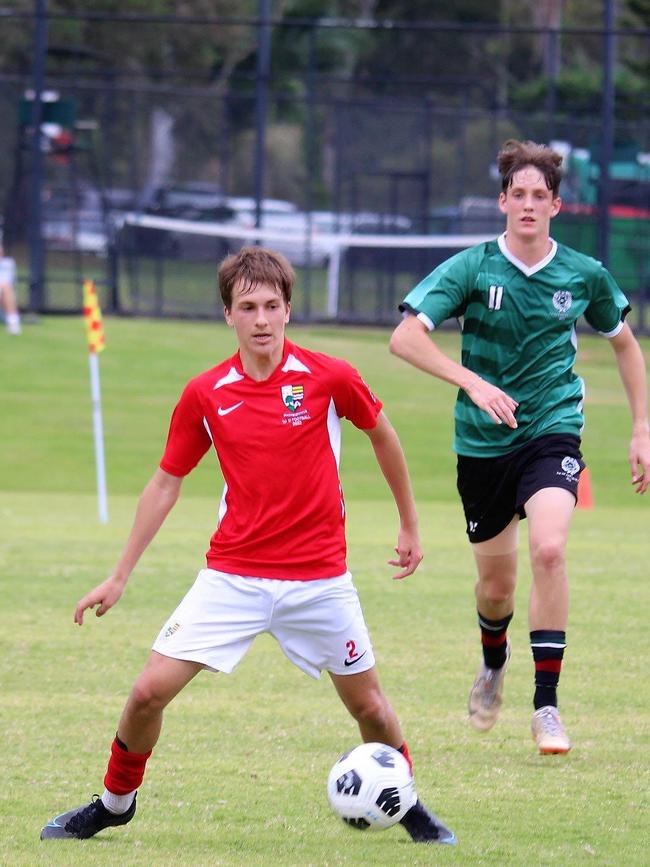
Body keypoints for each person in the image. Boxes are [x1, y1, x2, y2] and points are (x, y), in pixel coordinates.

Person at [41, 246, 456, 845]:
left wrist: (410, 526)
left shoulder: (329, 377)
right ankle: (114, 802)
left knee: (370, 708)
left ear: (288, 311)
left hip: (319, 580)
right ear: (228, 316)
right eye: (247, 307)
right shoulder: (206, 393)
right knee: (146, 693)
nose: (261, 318)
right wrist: (119, 574)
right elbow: (165, 482)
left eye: (271, 305)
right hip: (232, 576)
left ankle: (407, 803)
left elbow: (384, 438)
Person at [389, 139, 650, 755]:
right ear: (502, 201)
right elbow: (404, 339)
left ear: (557, 205)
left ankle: (547, 707)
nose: (528, 205)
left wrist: (641, 429)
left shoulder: (583, 274)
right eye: (519, 195)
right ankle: (492, 660)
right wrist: (473, 383)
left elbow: (625, 345)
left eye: (541, 196)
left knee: (551, 547)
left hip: (552, 429)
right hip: (482, 445)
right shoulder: (473, 268)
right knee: (496, 589)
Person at [0, 243, 21, 335]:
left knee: (5, 287)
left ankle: (13, 322)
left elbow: (7, 283)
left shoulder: (8, 263)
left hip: (3, 297)